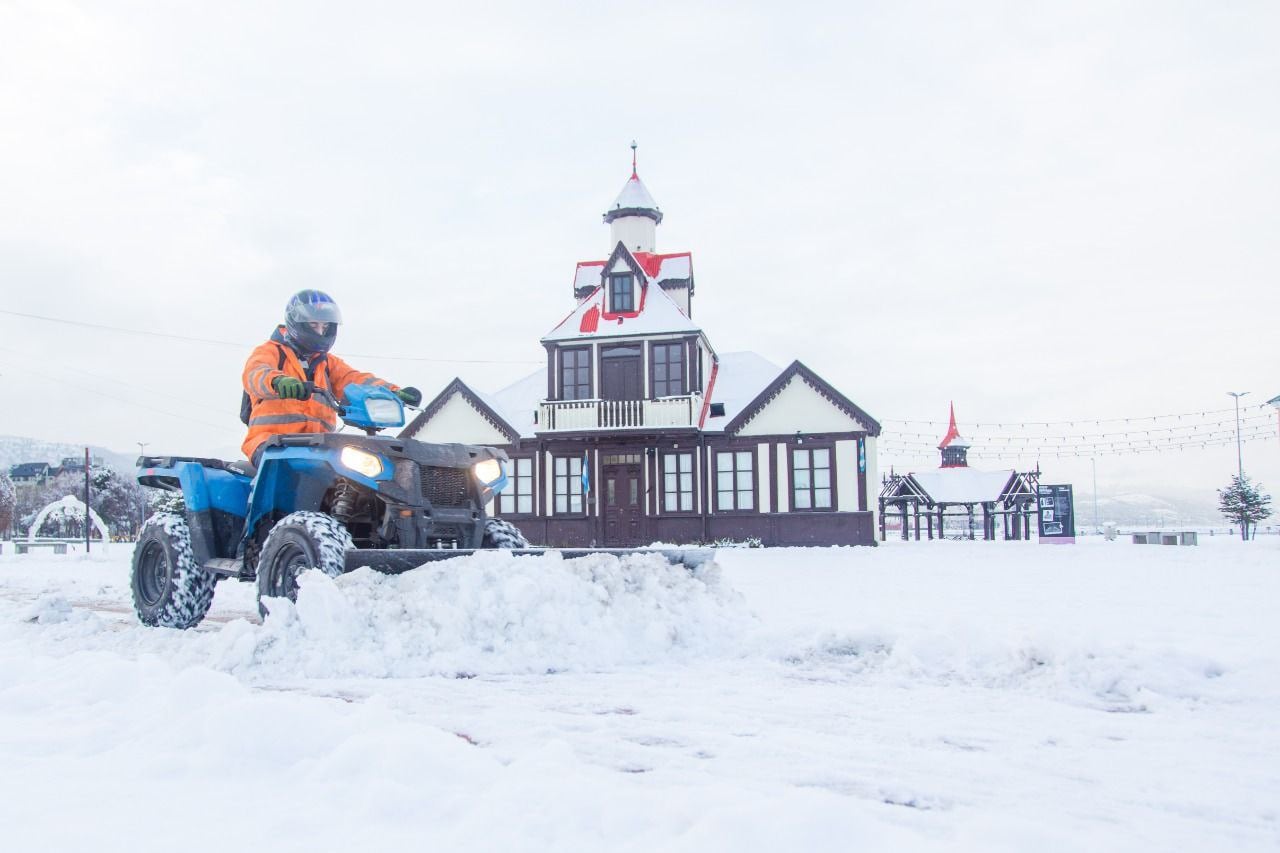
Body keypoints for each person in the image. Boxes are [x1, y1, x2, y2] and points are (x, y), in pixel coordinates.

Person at [240, 290, 421, 463]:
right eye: (314, 325)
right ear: (296, 323)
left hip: (319, 445)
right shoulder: (270, 351)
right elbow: (256, 373)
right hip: (271, 443)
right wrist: (277, 381)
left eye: (325, 326)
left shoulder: (327, 363)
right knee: (293, 470)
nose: (320, 332)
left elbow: (354, 379)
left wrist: (394, 392)